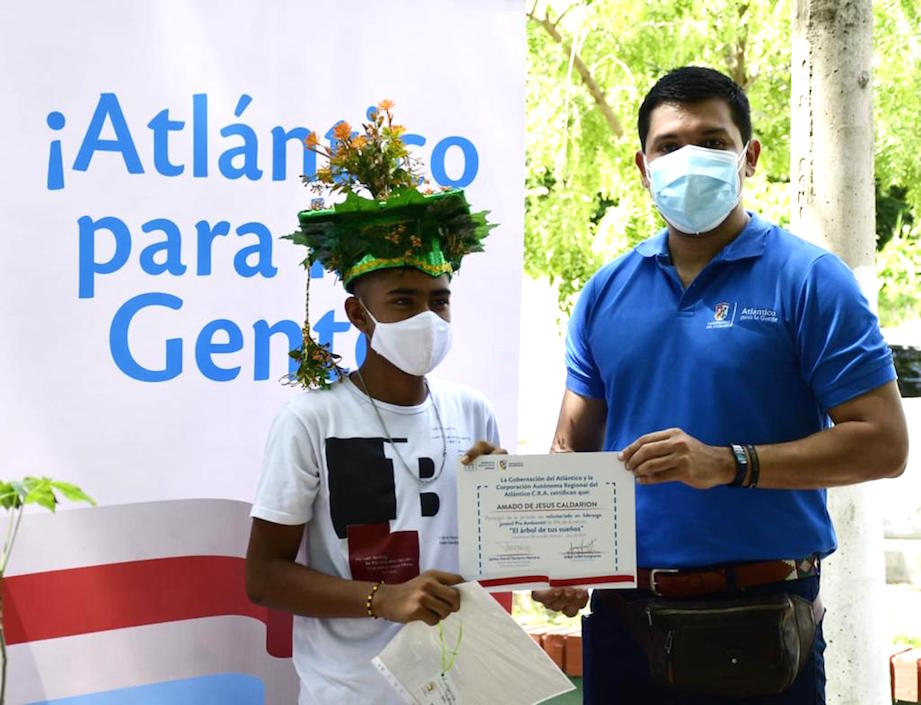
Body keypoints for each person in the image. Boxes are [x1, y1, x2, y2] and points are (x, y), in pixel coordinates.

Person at [552, 66, 909, 703]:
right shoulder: (605, 292)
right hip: (622, 622)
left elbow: (883, 445)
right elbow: (573, 450)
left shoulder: (810, 280)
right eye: (669, 146)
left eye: (713, 142)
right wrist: (555, 554)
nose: (689, 159)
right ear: (642, 164)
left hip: (762, 621)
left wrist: (729, 463)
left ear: (749, 156)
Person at [244, 102, 503, 705]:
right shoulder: (311, 420)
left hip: (459, 684)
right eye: (403, 301)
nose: (427, 318)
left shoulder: (473, 413)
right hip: (351, 690)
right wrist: (380, 599)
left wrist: (509, 501)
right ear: (358, 314)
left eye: (439, 300)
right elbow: (263, 576)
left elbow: (495, 555)